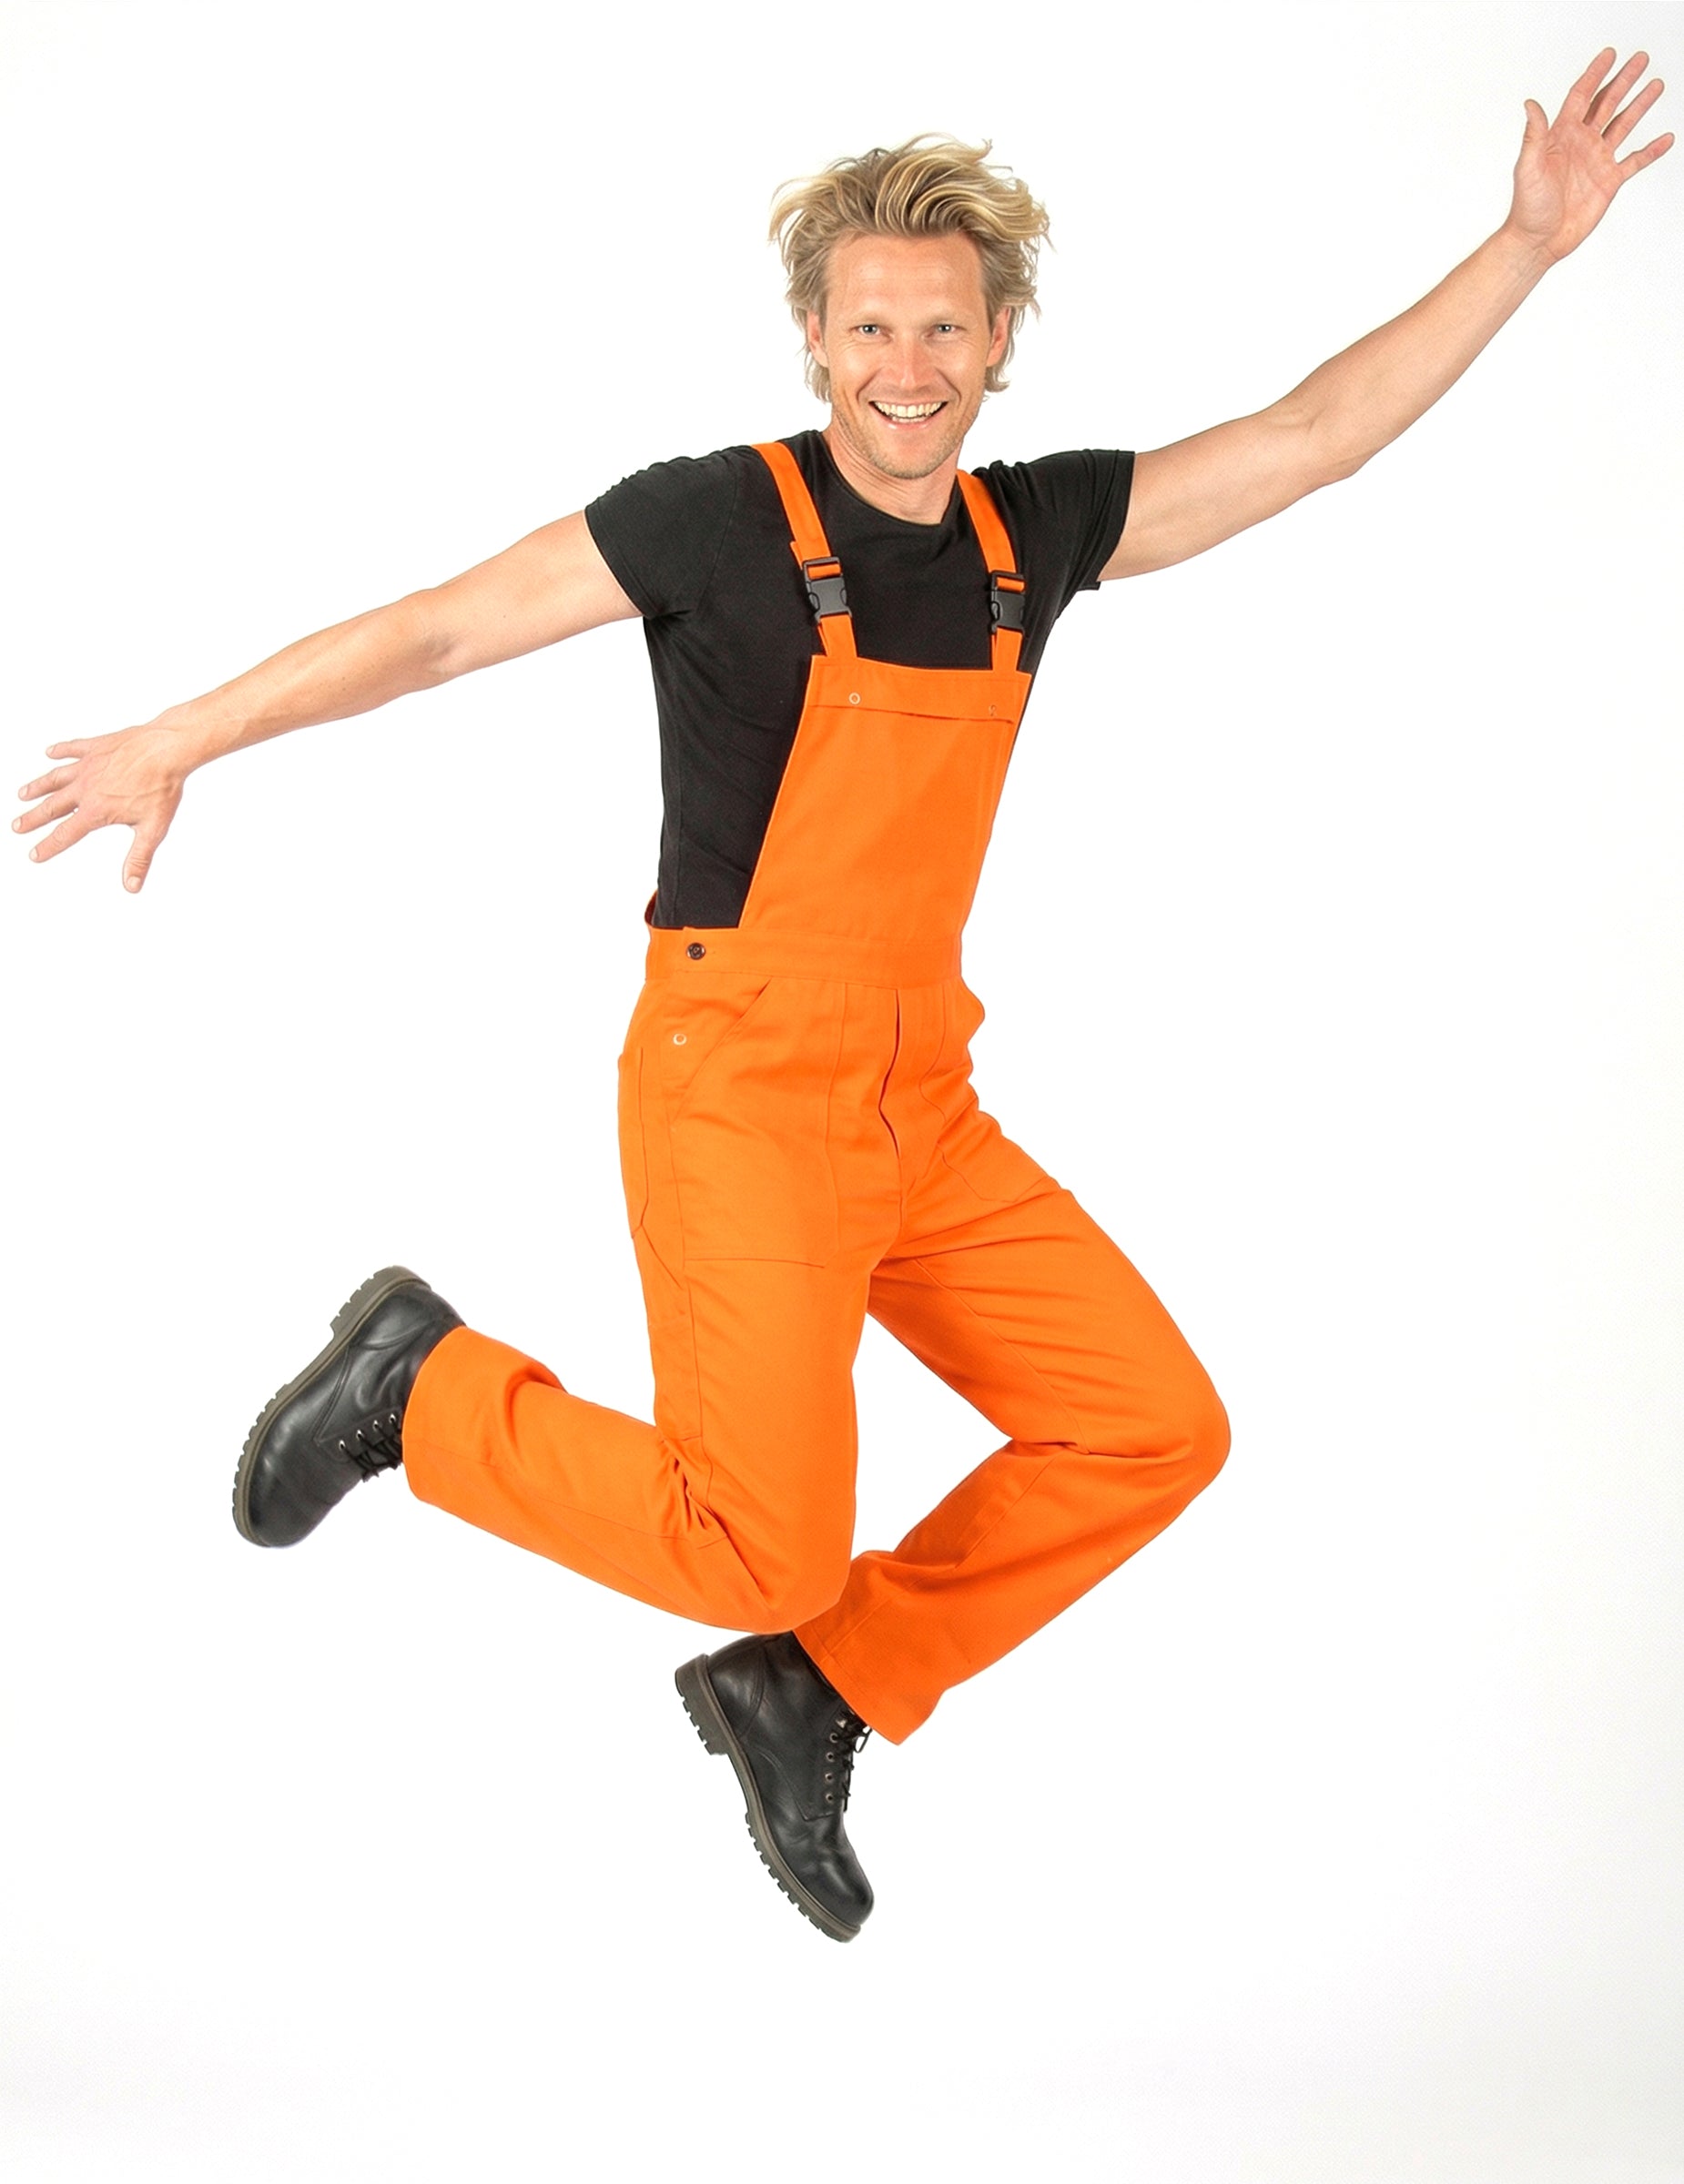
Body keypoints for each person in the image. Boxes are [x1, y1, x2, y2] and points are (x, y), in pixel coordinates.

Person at [15, 56, 1670, 1943]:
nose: (906, 363)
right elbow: (440, 629)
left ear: (999, 340)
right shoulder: (714, 520)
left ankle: (817, 1684)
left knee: (1149, 1427)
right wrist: (185, 736)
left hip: (919, 1104)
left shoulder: (1032, 536)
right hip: (737, 1085)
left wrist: (1525, 246)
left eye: (942, 327)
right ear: (813, 336)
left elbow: (1307, 439)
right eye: (870, 325)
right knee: (756, 1545)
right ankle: (423, 1392)